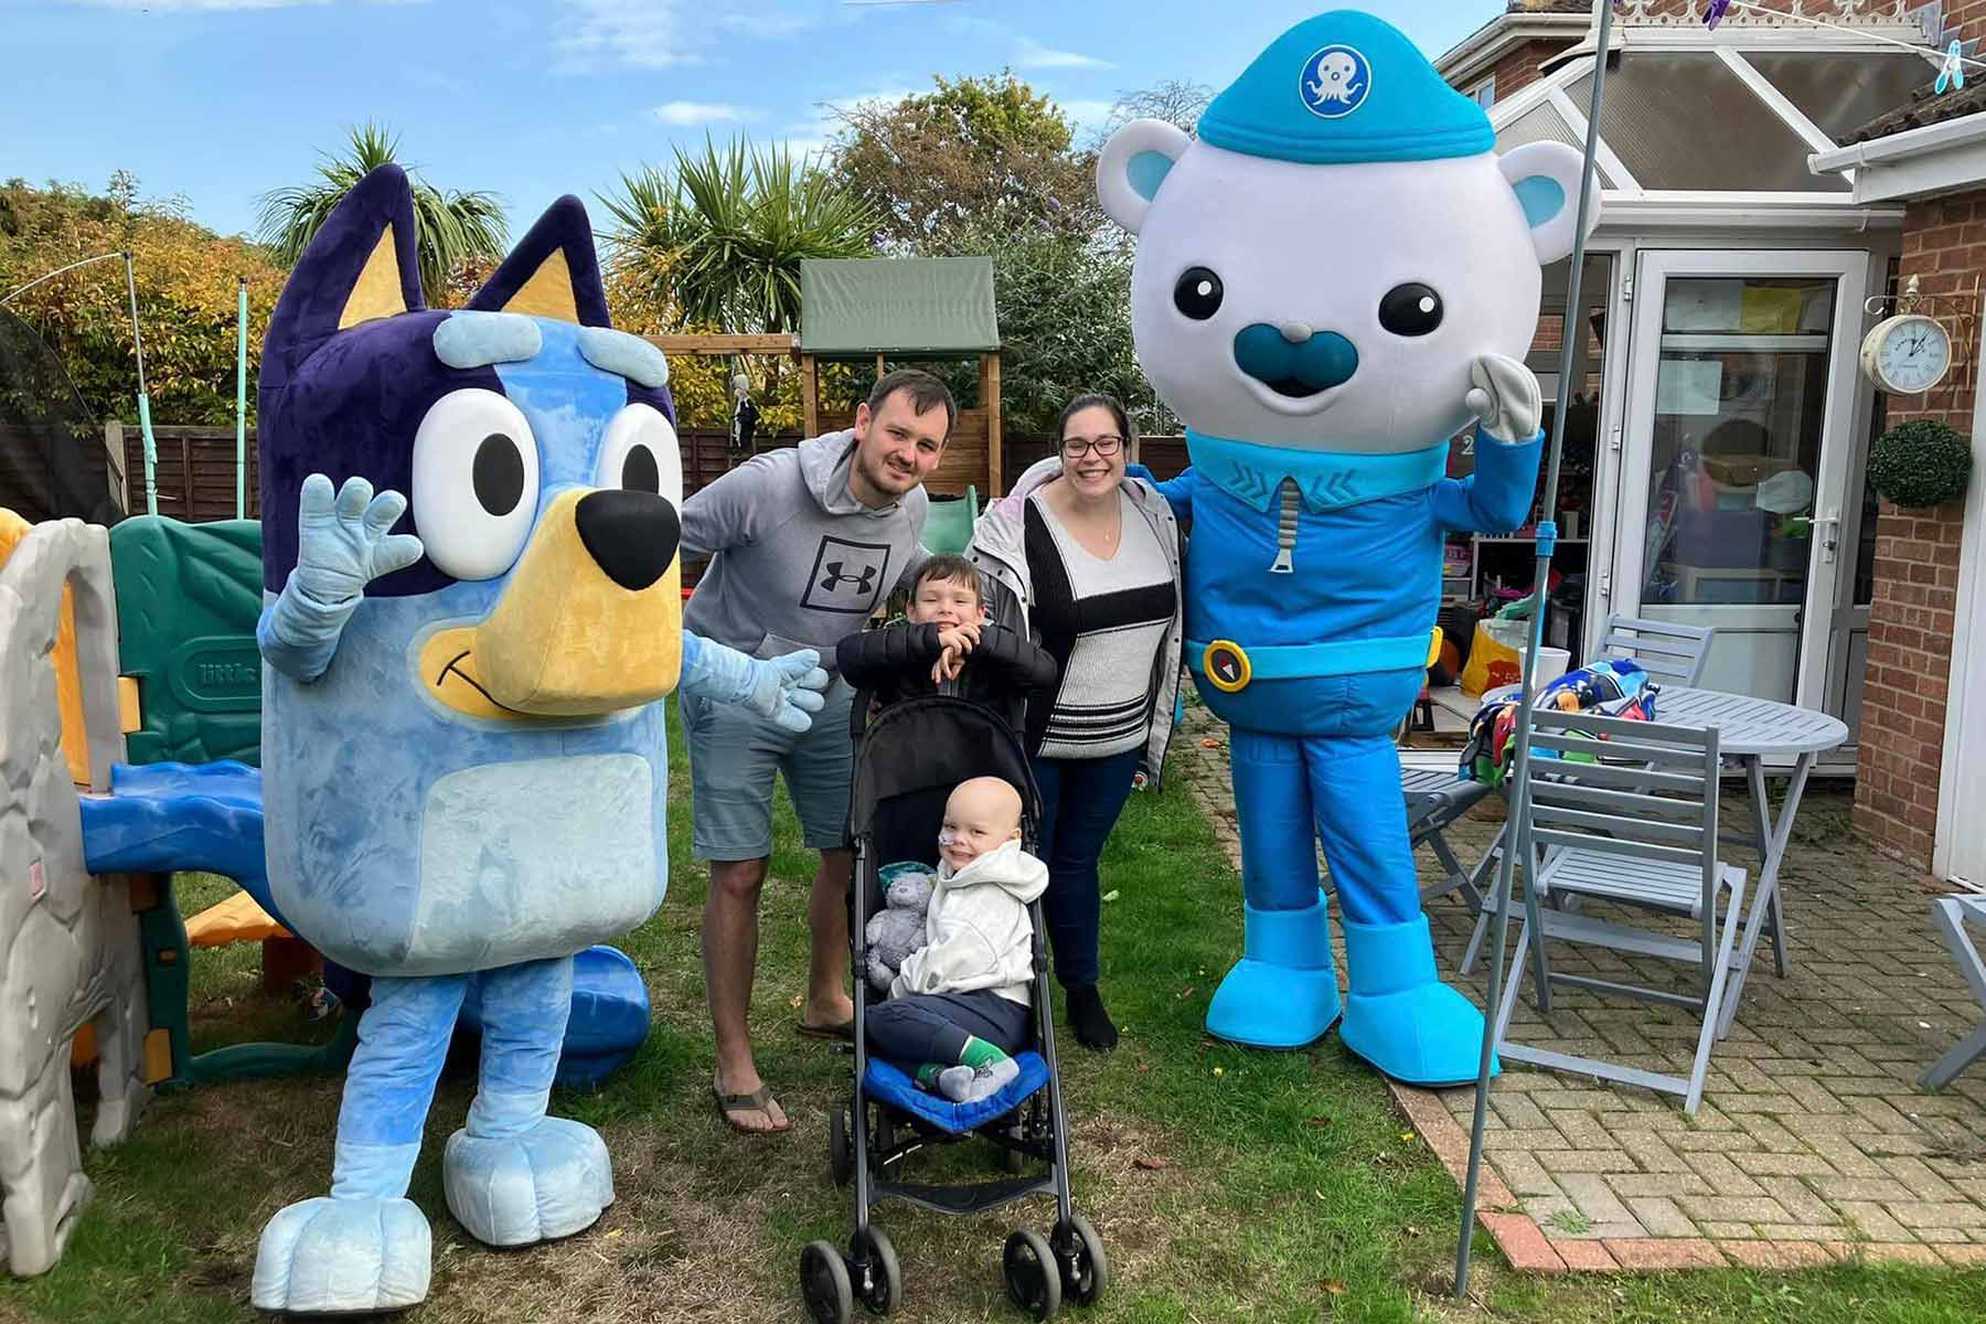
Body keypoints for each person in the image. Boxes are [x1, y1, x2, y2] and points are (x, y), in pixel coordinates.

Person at [680, 368, 953, 1134]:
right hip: (737, 686)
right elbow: (660, 540)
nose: (908, 455)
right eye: (898, 433)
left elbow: (905, 587)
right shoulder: (764, 486)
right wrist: (670, 652)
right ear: (863, 421)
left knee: (849, 853)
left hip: (831, 690)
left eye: (926, 446)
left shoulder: (914, 506)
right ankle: (733, 1059)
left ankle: (825, 998)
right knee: (740, 872)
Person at [968, 393, 1184, 1052]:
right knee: (1020, 865)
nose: (1092, 457)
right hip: (1037, 738)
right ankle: (1012, 995)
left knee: (1078, 863)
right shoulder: (1015, 526)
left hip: (1118, 741)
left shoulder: (1156, 516)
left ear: (1128, 447)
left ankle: (1081, 989)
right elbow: (982, 621)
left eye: (1105, 443)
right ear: (1058, 452)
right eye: (1077, 445)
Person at [866, 776, 1048, 1103]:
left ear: (1011, 838)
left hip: (994, 1008)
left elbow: (948, 962)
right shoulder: (963, 872)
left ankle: (989, 1061)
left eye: (976, 832)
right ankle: (945, 1077)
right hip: (964, 1002)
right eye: (951, 827)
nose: (958, 840)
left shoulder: (987, 895)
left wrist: (899, 988)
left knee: (882, 1018)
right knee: (875, 1034)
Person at [836, 553, 1058, 726]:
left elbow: (1044, 672)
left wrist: (975, 642)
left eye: (960, 601)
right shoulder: (898, 646)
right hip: (906, 767)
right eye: (931, 600)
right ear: (911, 610)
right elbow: (849, 655)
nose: (945, 609)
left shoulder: (996, 648)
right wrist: (932, 641)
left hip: (981, 765)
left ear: (981, 613)